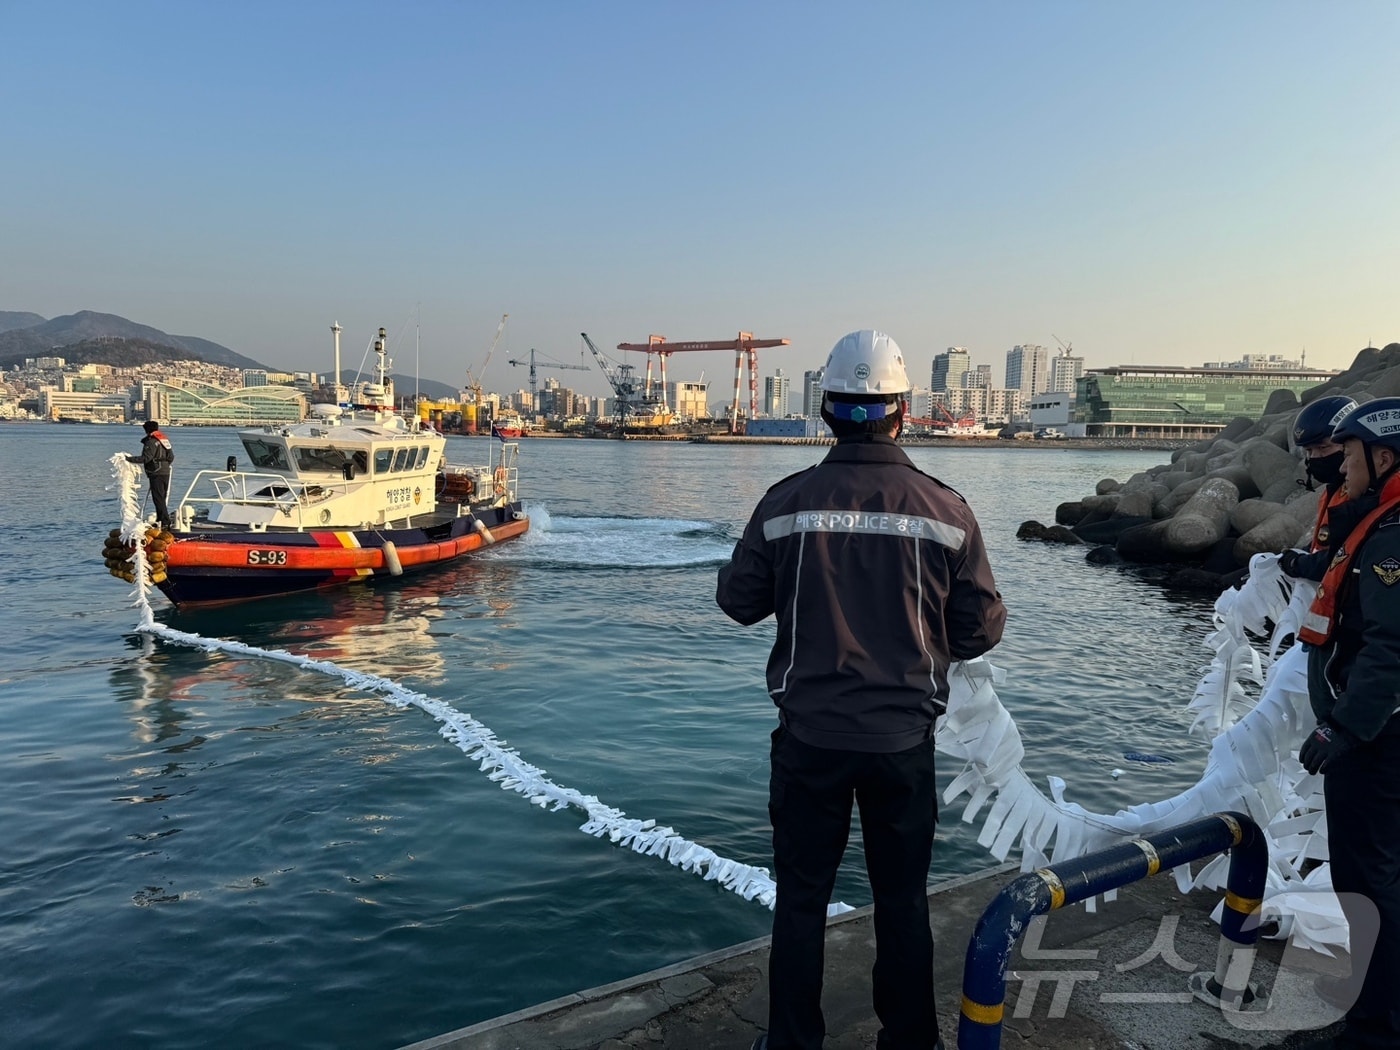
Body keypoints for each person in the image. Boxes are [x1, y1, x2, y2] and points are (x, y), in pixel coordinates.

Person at [716, 330, 1007, 1050]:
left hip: (809, 740)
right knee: (902, 902)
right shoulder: (945, 509)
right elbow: (979, 629)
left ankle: (792, 1043)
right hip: (902, 743)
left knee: (801, 902)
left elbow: (738, 601)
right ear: (902, 411)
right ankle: (909, 1041)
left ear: (826, 411)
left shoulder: (786, 502)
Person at [1296, 396, 1400, 1049]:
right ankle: (1373, 993)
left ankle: (1374, 1027)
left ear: (1384, 458)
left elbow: (1390, 649)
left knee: (1368, 877)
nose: (1342, 467)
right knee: (1372, 872)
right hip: (1372, 731)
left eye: (1351, 454)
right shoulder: (1376, 523)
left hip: (1377, 739)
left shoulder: (1390, 539)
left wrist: (1346, 728)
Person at [1280, 396, 1357, 581]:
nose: (1315, 457)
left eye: (1323, 447)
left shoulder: (1363, 494)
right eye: (1309, 451)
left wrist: (1296, 563)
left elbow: (1345, 557)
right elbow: (1325, 543)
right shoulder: (1336, 490)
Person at [127, 419, 175, 530]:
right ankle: (160, 519)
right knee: (162, 497)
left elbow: (146, 458)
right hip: (165, 471)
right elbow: (171, 457)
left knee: (158, 498)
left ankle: (165, 522)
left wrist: (129, 459)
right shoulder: (164, 440)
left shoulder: (151, 442)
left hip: (156, 472)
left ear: (146, 430)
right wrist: (165, 465)